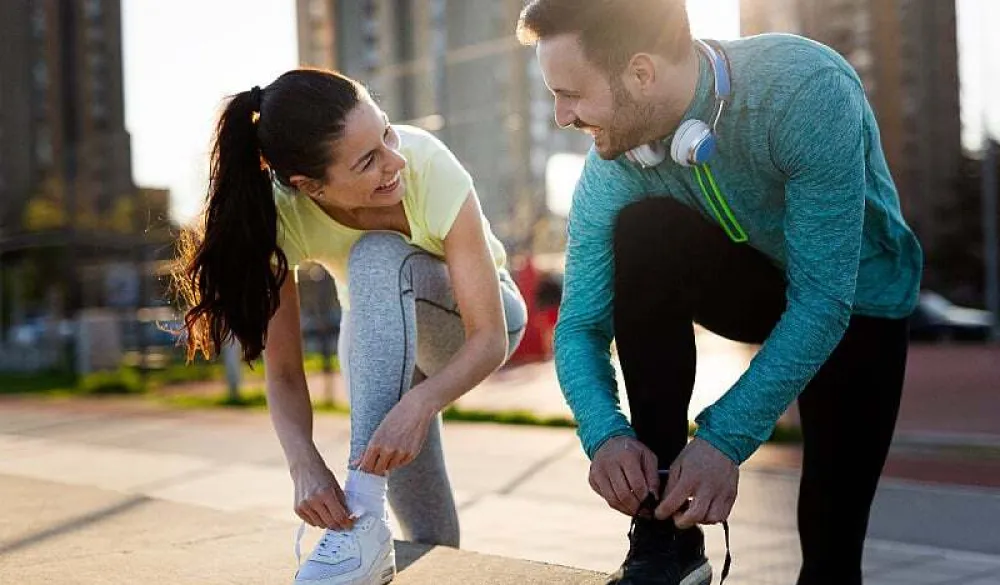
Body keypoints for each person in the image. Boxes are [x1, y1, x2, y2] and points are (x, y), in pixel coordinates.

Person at [516, 1, 922, 584]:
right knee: (646, 232)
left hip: (860, 301)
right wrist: (603, 432)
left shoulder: (805, 92)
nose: (561, 116)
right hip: (749, 287)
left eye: (571, 93)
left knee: (832, 546)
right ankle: (667, 543)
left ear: (641, 73)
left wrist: (722, 444)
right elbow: (580, 324)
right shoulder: (613, 169)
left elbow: (822, 301)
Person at [172, 69, 526, 585]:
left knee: (376, 255)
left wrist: (420, 405)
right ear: (309, 186)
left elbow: (489, 338)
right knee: (427, 536)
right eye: (368, 161)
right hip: (385, 349)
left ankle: (359, 505)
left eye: (386, 133)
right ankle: (369, 538)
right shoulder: (281, 215)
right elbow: (286, 371)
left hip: (474, 329)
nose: (395, 160)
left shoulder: (426, 164)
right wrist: (304, 464)